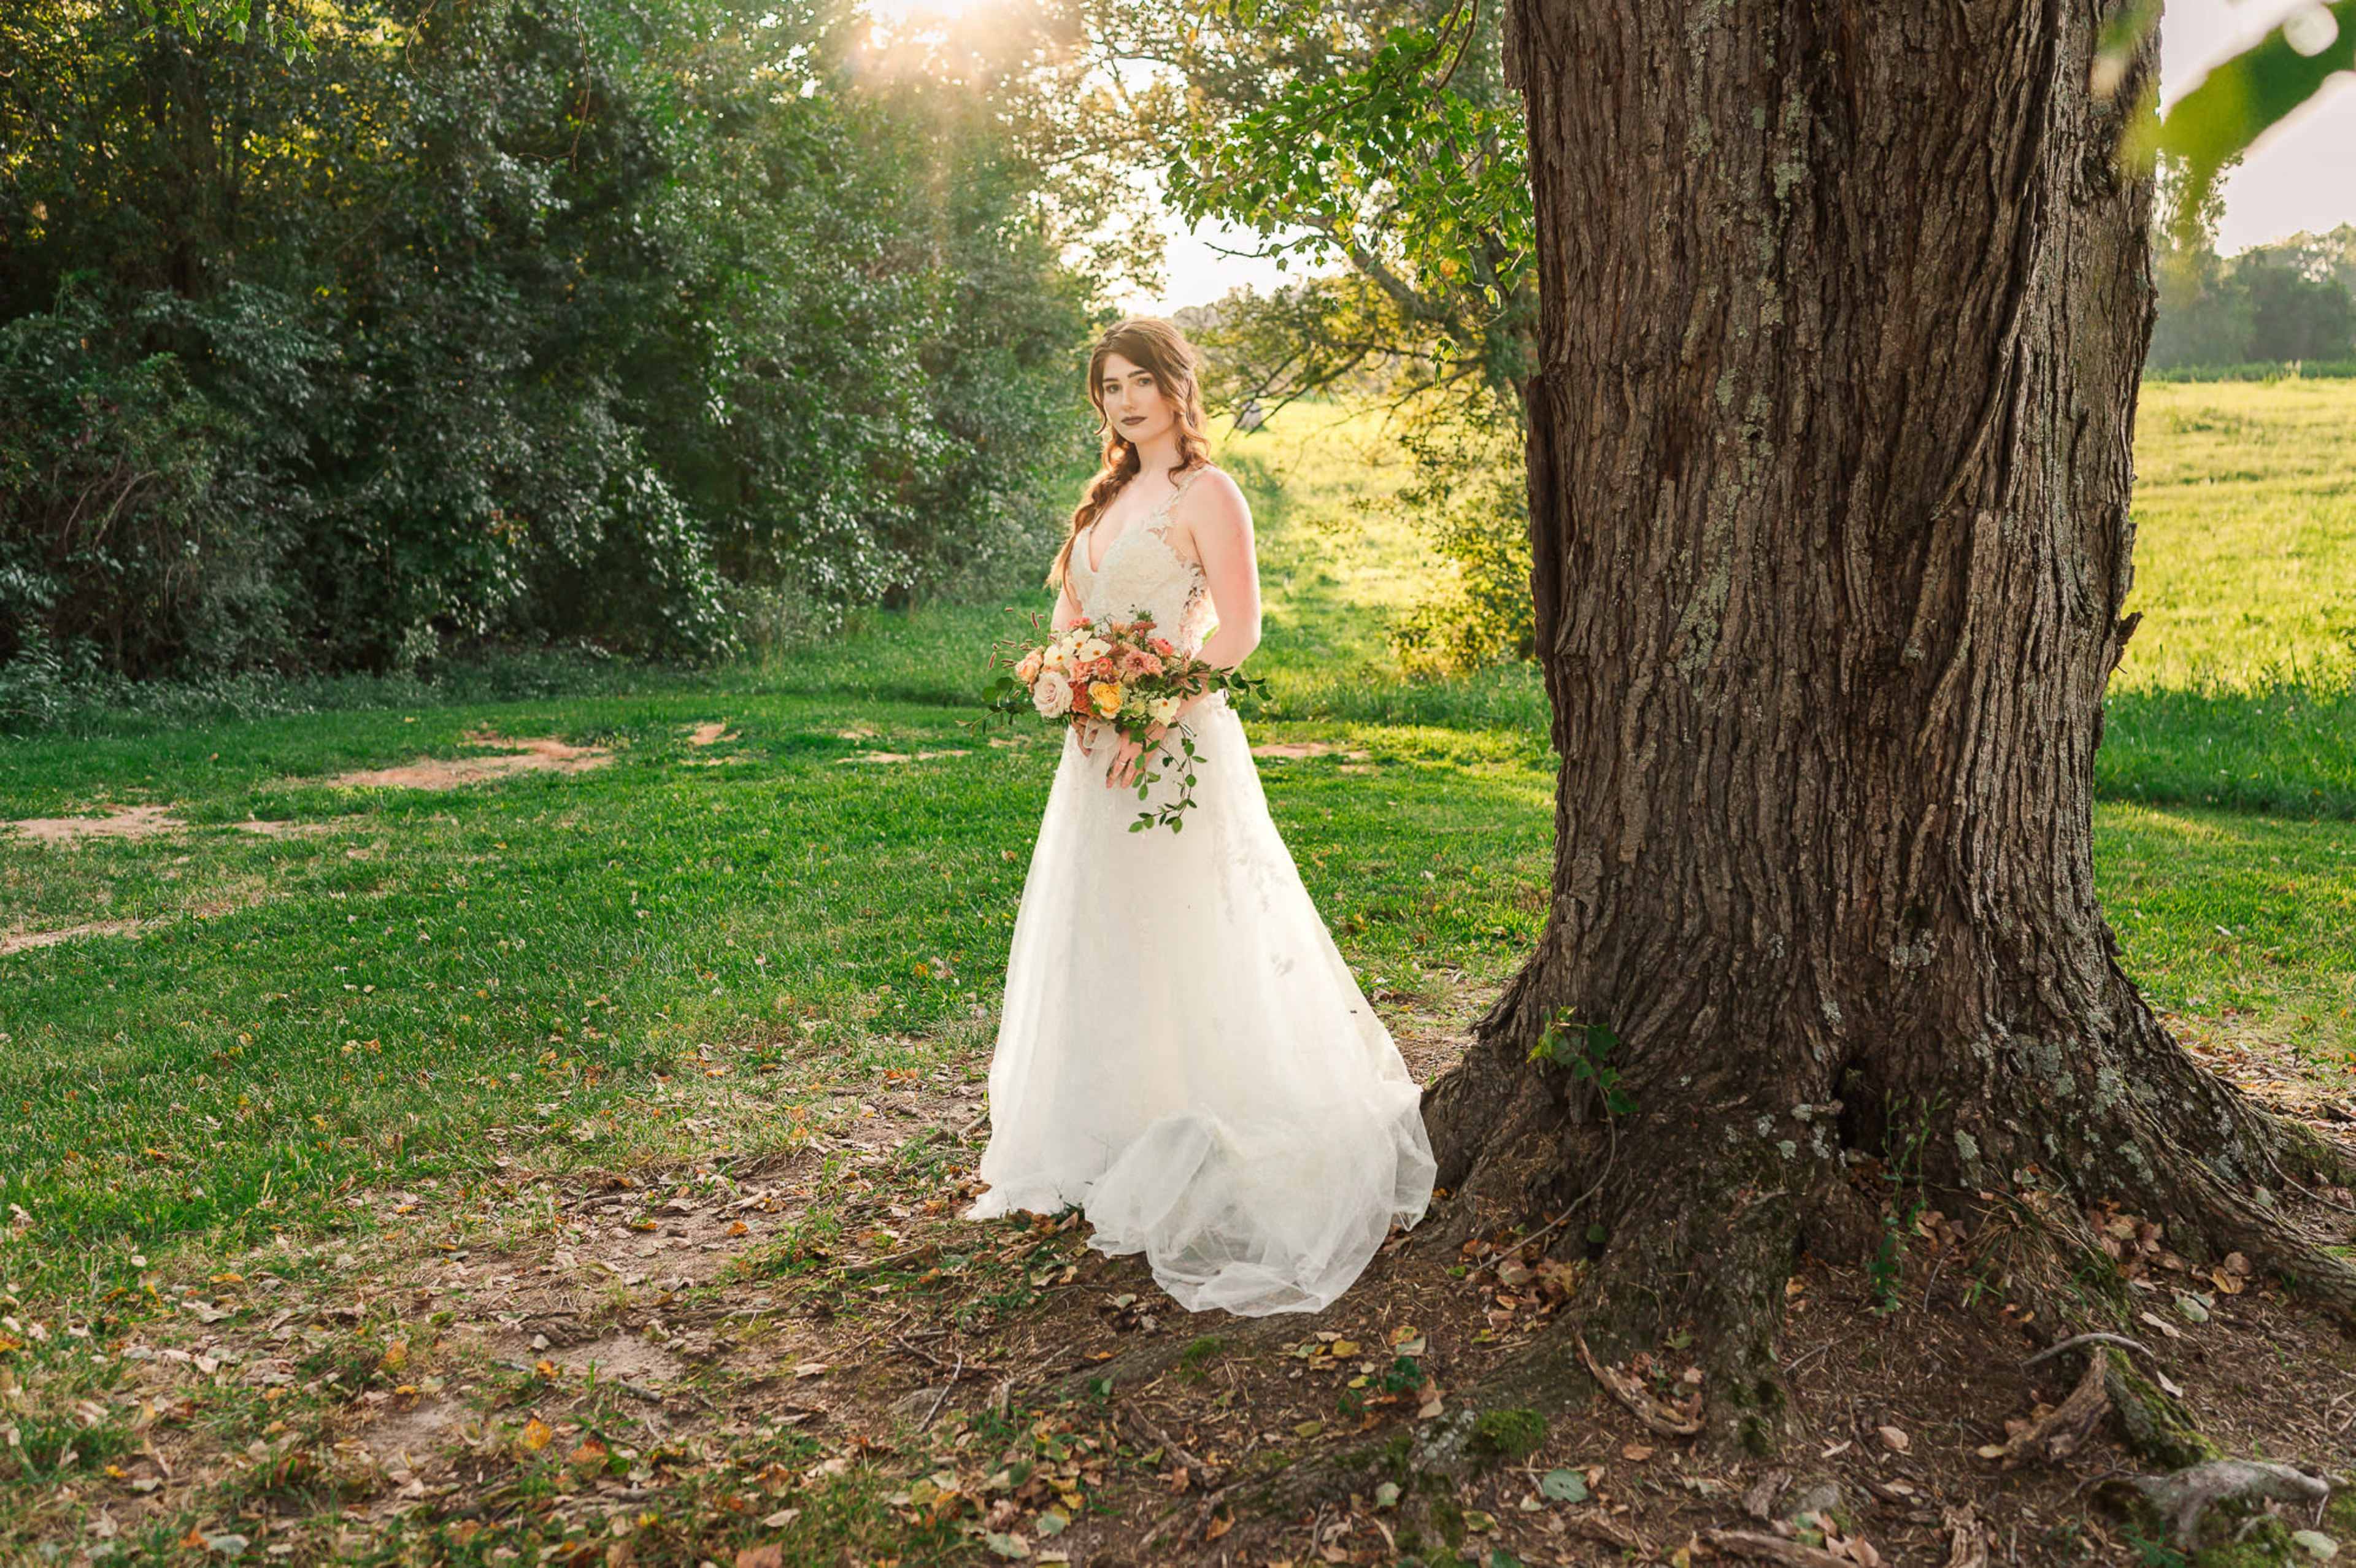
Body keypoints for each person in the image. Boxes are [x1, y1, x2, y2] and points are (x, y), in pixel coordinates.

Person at [961, 317, 1436, 1316]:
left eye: (1141, 382)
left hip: (1175, 749)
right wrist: (1076, 685)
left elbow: (1242, 628)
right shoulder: (1103, 501)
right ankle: (1116, 1126)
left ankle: (1211, 1122)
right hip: (1096, 760)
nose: (1125, 402)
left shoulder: (1207, 494)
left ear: (1178, 389)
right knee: (1109, 935)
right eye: (1109, 389)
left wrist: (1150, 705)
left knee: (1188, 932)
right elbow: (1069, 626)